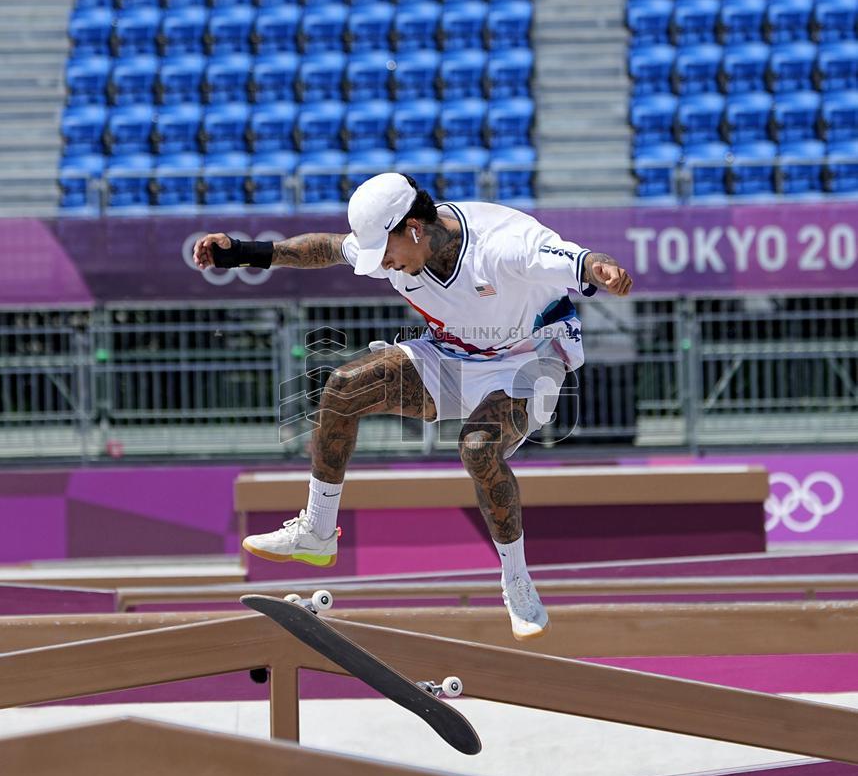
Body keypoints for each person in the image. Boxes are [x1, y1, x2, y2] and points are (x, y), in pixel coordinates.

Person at [193, 173, 632, 640]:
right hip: (452, 353)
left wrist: (602, 270)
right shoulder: (397, 246)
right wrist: (242, 251)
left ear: (414, 229)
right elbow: (325, 248)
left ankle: (517, 581)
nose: (384, 265)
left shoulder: (503, 243)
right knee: (343, 387)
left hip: (528, 360)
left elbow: (578, 258)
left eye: (387, 253)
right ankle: (318, 531)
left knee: (479, 447)